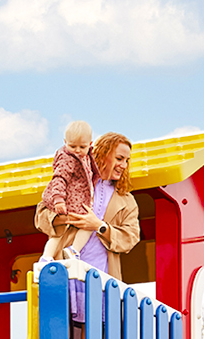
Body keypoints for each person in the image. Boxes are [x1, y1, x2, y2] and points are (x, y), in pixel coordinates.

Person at [34, 130, 141, 324]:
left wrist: (99, 226)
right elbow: (41, 216)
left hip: (101, 273)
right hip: (65, 269)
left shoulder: (127, 200)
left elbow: (131, 237)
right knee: (62, 326)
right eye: (119, 158)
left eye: (127, 160)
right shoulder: (74, 180)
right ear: (103, 153)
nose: (123, 165)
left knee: (97, 329)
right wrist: (67, 217)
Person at [38, 120, 94, 261]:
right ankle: (72, 250)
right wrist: (58, 199)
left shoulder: (86, 157)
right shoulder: (67, 159)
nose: (77, 150)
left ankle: (48, 257)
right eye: (72, 146)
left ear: (90, 144)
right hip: (67, 202)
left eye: (82, 146)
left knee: (61, 233)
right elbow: (59, 178)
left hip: (75, 201)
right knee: (85, 227)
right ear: (65, 142)